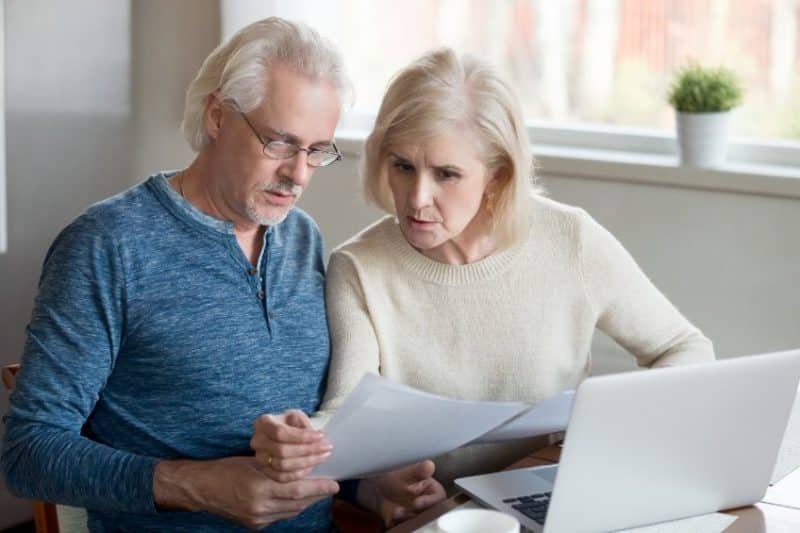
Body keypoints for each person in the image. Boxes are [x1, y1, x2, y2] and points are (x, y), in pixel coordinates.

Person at [1, 17, 435, 532]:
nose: (298, 175)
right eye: (279, 142)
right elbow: (28, 451)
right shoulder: (107, 246)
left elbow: (306, 444)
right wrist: (199, 486)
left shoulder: (302, 239)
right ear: (216, 116)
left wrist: (373, 488)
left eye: (317, 150)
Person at [252, 48, 715, 497]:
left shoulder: (569, 239)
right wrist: (300, 440)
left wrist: (616, 427)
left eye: (447, 174)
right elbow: (345, 414)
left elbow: (684, 348)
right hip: (447, 517)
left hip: (559, 495)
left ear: (497, 175)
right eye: (403, 167)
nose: (417, 198)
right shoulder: (359, 269)